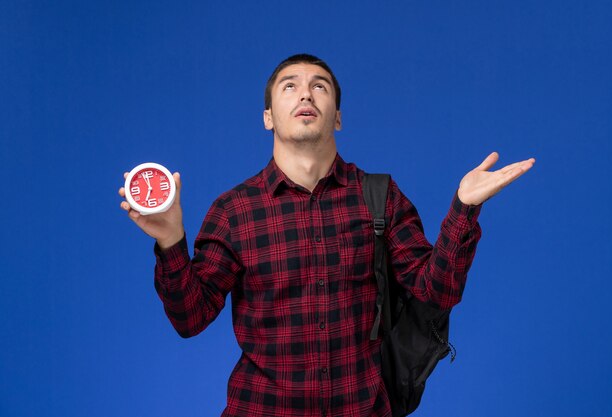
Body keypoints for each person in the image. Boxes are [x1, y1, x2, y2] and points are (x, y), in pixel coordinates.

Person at [119, 54, 535, 416]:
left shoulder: (381, 197)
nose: (305, 94)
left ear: (336, 115)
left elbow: (435, 291)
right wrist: (170, 240)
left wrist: (463, 209)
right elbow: (190, 318)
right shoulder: (234, 211)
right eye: (290, 86)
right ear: (268, 117)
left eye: (319, 86)